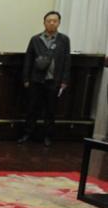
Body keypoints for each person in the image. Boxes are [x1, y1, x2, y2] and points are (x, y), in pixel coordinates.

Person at [18, 11, 71, 147]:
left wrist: (64, 80)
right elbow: (28, 59)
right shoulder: (35, 39)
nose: (52, 23)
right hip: (36, 80)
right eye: (49, 20)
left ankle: (48, 136)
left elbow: (67, 61)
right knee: (32, 108)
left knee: (50, 110)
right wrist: (26, 78)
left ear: (59, 23)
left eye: (55, 21)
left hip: (54, 80)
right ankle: (27, 133)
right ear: (44, 22)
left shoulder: (64, 40)